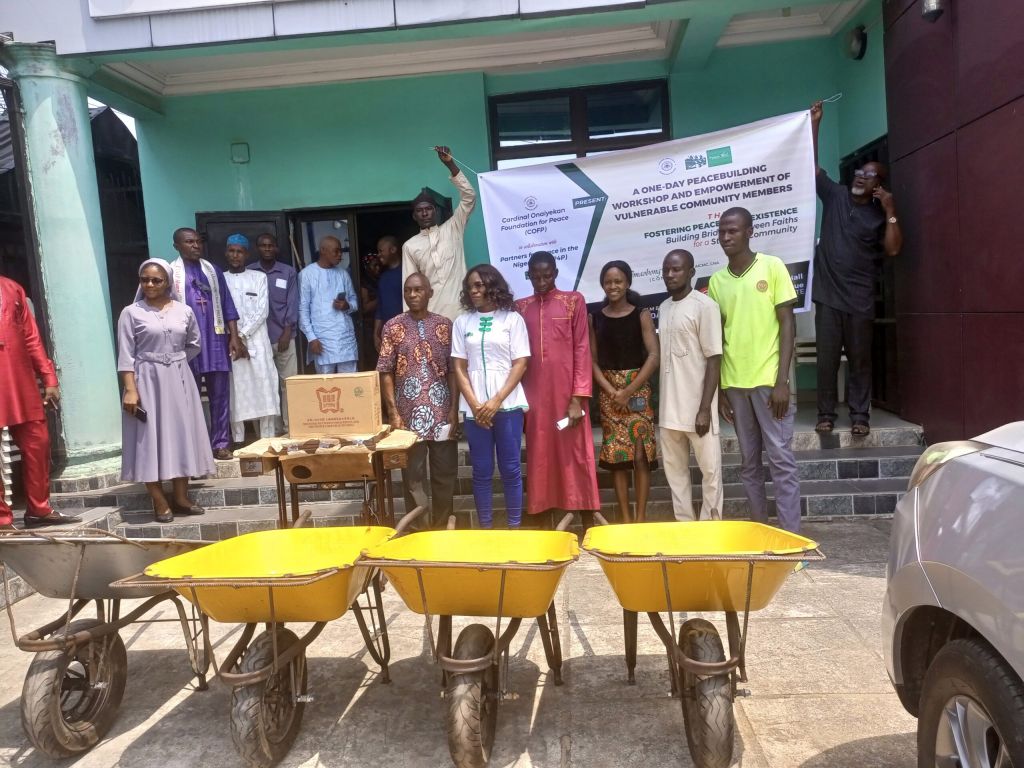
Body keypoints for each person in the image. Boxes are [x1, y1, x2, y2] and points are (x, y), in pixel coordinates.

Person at [810, 100, 902, 436]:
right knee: (826, 361)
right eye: (860, 172)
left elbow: (893, 248)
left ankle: (860, 416)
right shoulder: (835, 195)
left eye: (870, 175)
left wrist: (890, 207)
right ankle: (825, 415)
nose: (861, 176)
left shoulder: (878, 216)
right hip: (828, 297)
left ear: (878, 184)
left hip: (860, 299)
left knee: (860, 360)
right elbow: (812, 167)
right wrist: (815, 123)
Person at [709, 207, 801, 532]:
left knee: (781, 460)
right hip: (735, 385)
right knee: (749, 464)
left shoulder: (772, 267)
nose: (725, 237)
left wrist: (782, 380)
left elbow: (787, 323)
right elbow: (718, 339)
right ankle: (760, 533)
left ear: (749, 231)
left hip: (769, 382)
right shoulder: (717, 282)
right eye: (721, 231)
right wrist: (720, 390)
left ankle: (790, 539)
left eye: (732, 230)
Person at [118, 260, 215, 523]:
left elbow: (194, 343)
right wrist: (130, 390)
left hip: (179, 378)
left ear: (168, 282)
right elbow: (125, 356)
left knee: (182, 434)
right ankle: (159, 499)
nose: (149, 284)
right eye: (144, 279)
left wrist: (175, 361)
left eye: (156, 280)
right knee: (148, 438)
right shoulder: (131, 313)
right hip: (146, 380)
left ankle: (181, 497)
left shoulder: (184, 311)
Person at [513, 251, 600, 526]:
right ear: (528, 274)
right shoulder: (519, 308)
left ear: (555, 273)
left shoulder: (573, 301)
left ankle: (586, 518)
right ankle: (543, 519)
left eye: (547, 275)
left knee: (575, 453)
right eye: (536, 276)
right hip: (534, 397)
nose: (541, 281)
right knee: (540, 454)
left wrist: (578, 398)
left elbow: (582, 349)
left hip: (568, 396)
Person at [377, 273, 459, 529]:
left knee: (445, 475)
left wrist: (455, 409)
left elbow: (454, 370)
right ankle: (419, 532)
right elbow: (385, 370)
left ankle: (443, 530)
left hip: (442, 414)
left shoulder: (445, 325)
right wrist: (392, 411)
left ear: (430, 293)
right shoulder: (393, 326)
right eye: (408, 291)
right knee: (413, 478)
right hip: (408, 416)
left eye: (418, 290)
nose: (412, 295)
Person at [451, 265, 529, 529]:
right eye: (470, 286)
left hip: (507, 405)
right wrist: (475, 405)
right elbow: (459, 367)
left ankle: (514, 527)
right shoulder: (463, 322)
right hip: (475, 409)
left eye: (480, 285)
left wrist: (495, 402)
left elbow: (520, 363)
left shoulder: (512, 319)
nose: (474, 290)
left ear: (493, 287)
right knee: (481, 471)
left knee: (510, 470)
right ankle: (485, 528)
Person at [0, 276, 80, 531]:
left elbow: (31, 336)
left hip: (19, 378)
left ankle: (39, 509)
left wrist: (49, 377)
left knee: (38, 441)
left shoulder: (11, 288)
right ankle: (2, 519)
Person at [589, 261, 659, 523]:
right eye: (608, 282)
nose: (613, 286)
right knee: (618, 457)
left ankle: (640, 519)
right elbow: (592, 361)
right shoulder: (594, 317)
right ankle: (626, 520)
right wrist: (612, 391)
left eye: (618, 281)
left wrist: (628, 390)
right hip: (610, 394)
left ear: (627, 282)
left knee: (640, 455)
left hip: (637, 390)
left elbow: (653, 355)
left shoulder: (640, 314)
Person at [658, 250, 724, 521]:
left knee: (710, 474)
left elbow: (714, 358)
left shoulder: (705, 306)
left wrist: (705, 408)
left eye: (676, 269)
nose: (670, 275)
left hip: (698, 409)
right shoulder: (663, 308)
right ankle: (685, 529)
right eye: (667, 270)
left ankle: (711, 531)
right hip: (669, 411)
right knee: (676, 475)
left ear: (691, 272)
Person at [170, 227, 243, 460]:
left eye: (198, 242)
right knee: (187, 397)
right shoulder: (171, 273)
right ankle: (194, 446)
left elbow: (228, 305)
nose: (195, 246)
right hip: (185, 345)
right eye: (189, 242)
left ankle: (220, 443)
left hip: (215, 341)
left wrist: (234, 336)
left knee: (220, 395)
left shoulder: (213, 271)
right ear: (177, 246)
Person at [402, 145, 476, 321]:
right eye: (420, 210)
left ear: (436, 211)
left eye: (429, 209)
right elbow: (409, 286)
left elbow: (469, 197)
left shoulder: (453, 228)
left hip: (463, 314)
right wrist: (411, 323)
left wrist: (450, 164)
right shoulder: (410, 246)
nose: (425, 213)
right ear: (414, 215)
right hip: (431, 318)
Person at [224, 234, 280, 444]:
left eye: (239, 251)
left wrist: (241, 335)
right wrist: (234, 339)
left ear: (246, 254)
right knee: (236, 390)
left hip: (257, 341)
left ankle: (267, 437)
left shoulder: (258, 278)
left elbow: (262, 311)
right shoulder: (220, 279)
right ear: (226, 253)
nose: (235, 255)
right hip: (231, 345)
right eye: (231, 250)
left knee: (264, 386)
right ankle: (238, 440)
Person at [248, 232, 298, 435]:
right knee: (264, 386)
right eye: (263, 245)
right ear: (257, 248)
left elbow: (293, 303)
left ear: (276, 248)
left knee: (289, 385)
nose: (267, 249)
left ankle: (290, 428)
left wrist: (287, 331)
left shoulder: (288, 272)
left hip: (284, 337)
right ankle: (271, 430)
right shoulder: (249, 272)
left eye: (271, 246)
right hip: (258, 342)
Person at [298, 236, 359, 374]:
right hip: (322, 340)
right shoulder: (306, 275)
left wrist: (346, 306)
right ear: (323, 251)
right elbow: (302, 310)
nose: (340, 256)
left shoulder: (343, 274)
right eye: (336, 251)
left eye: (341, 252)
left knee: (349, 383)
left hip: (346, 339)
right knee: (326, 387)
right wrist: (311, 338)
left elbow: (355, 302)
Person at [374, 235, 404, 351]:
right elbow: (380, 309)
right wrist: (376, 334)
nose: (379, 254)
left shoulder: (407, 272)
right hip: (388, 335)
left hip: (407, 333)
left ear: (393, 250)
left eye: (381, 251)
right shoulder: (383, 277)